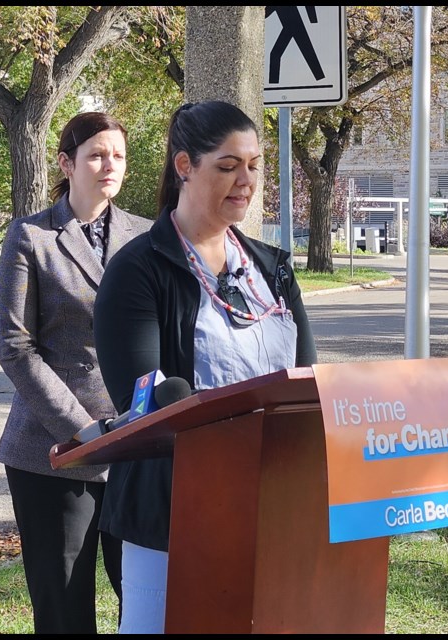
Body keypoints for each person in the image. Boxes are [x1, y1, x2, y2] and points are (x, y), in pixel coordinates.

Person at [92, 100, 318, 634]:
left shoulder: (273, 269)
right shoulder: (138, 272)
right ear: (184, 166)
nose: (246, 181)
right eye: (228, 166)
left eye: (255, 165)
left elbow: (307, 383)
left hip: (274, 505)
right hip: (173, 518)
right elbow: (146, 405)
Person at [0, 111, 153, 633]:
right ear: (67, 163)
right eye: (97, 154)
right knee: (64, 610)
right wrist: (81, 430)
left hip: (139, 446)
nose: (110, 165)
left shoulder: (149, 237)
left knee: (147, 597)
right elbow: (16, 347)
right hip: (55, 455)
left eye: (119, 155)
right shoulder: (31, 237)